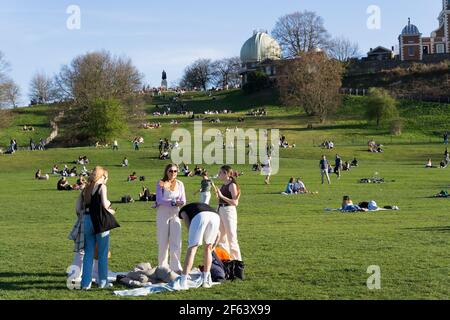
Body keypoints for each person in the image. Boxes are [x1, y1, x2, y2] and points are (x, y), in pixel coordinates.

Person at [80, 166, 116, 289]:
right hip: (100, 222)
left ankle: (85, 284)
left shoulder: (87, 188)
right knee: (102, 253)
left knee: (88, 253)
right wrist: (111, 210)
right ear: (102, 176)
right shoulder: (102, 187)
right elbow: (105, 204)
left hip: (87, 220)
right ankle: (103, 282)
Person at [178, 203, 221, 290]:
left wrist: (193, 238)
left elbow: (187, 222)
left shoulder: (182, 211)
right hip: (216, 217)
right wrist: (214, 242)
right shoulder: (204, 206)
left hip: (201, 217)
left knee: (192, 248)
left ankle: (183, 281)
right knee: (208, 248)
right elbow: (219, 234)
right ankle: (206, 280)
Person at [154, 164, 186, 273]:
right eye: (170, 171)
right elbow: (159, 200)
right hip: (163, 212)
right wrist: (173, 202)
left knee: (176, 240)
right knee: (163, 240)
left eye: (175, 171)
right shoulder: (161, 183)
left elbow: (183, 200)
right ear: (166, 172)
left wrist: (179, 203)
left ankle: (176, 267)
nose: (173, 173)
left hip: (176, 213)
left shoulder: (180, 184)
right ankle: (162, 266)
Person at [212, 165, 242, 262]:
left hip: (229, 211)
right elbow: (221, 200)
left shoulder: (232, 185)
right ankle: (226, 260)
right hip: (221, 210)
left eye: (220, 173)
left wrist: (221, 196)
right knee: (221, 238)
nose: (219, 174)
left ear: (226, 173)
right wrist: (218, 195)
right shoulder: (223, 185)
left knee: (231, 237)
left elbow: (235, 202)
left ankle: (237, 262)